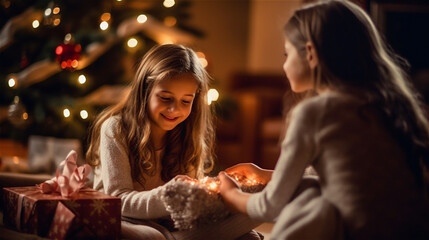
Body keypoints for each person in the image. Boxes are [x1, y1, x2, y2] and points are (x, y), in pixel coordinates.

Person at [218, 1, 429, 239]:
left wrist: (231, 195)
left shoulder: (315, 113)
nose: (285, 65)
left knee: (312, 197)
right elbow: (343, 177)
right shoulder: (390, 105)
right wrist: (268, 175)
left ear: (310, 53)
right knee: (311, 186)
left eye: (287, 54)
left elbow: (270, 206)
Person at [86, 44, 260, 240]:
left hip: (169, 222)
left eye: (186, 101)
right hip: (125, 218)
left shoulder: (187, 134)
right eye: (165, 98)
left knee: (250, 232)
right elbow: (119, 200)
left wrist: (207, 197)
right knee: (152, 237)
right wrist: (171, 196)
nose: (174, 109)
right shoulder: (116, 129)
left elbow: (186, 212)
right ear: (144, 91)